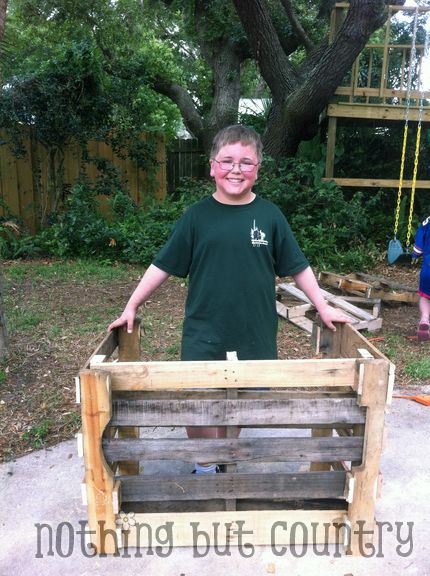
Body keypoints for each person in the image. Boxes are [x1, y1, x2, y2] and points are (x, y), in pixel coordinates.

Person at [108, 124, 351, 473]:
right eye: (227, 161)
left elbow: (298, 267)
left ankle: (225, 453)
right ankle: (206, 462)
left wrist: (323, 306)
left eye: (246, 163)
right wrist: (131, 305)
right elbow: (161, 266)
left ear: (258, 171)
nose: (236, 169)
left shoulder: (270, 217)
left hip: (253, 330)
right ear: (211, 167)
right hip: (204, 331)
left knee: (241, 400)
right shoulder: (196, 217)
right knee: (197, 399)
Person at [412, 216, 430, 342]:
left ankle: (424, 319)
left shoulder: (427, 221)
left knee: (425, 296)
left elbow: (419, 240)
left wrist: (416, 254)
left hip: (428, 266)